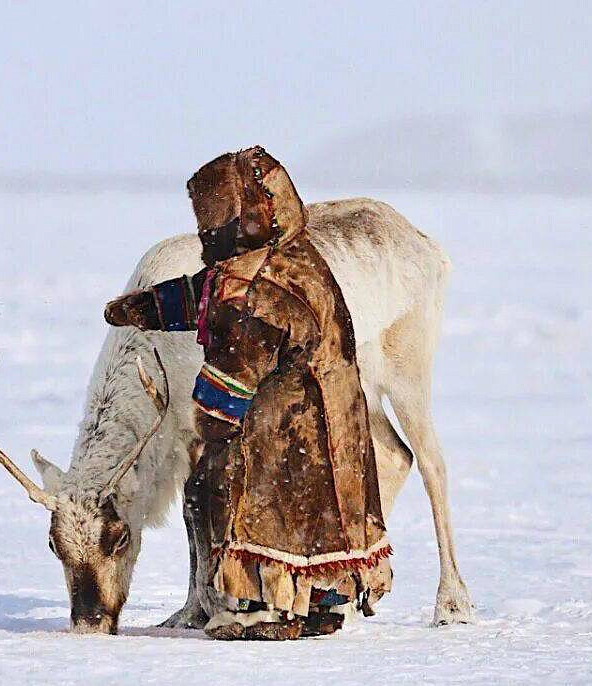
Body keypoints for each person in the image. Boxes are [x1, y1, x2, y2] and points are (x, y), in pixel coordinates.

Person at [105, 148, 391, 639]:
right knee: (323, 515)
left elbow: (236, 364)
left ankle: (271, 609)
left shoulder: (261, 290)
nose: (206, 234)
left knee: (269, 504)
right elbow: (208, 296)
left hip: (290, 429)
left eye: (212, 222)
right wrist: (148, 308)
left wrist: (210, 417)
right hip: (333, 417)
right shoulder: (287, 257)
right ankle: (318, 600)